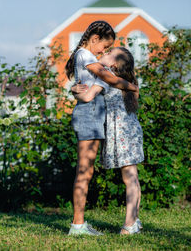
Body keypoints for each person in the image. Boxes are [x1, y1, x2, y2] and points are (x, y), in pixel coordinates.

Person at [65, 20, 138, 236]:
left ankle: (79, 224)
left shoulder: (87, 58)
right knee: (84, 171)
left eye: (107, 50)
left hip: (92, 115)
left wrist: (74, 91)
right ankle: (77, 225)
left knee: (86, 171)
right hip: (89, 115)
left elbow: (89, 88)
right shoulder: (85, 56)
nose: (103, 51)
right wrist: (132, 86)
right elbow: (104, 80)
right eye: (104, 47)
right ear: (94, 39)